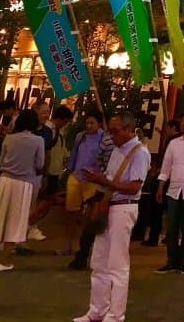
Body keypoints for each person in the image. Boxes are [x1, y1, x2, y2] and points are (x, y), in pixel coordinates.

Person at [73, 113, 151, 322]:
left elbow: (135, 186)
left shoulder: (139, 153)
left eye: (116, 131)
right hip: (109, 206)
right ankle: (97, 310)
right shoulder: (117, 150)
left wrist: (104, 182)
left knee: (117, 265)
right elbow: (111, 180)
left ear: (129, 130)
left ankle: (116, 315)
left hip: (123, 208)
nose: (112, 136)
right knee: (99, 262)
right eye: (110, 131)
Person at [0, 108, 45, 271]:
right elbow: (39, 164)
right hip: (23, 184)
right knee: (16, 222)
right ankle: (4, 261)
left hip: (5, 181)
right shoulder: (38, 141)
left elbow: (1, 161)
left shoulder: (9, 138)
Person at [65, 109, 112, 268]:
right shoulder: (81, 136)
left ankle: (85, 247)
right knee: (72, 211)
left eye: (92, 123)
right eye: (87, 123)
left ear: (99, 124)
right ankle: (71, 244)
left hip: (93, 179)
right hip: (76, 176)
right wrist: (70, 169)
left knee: (90, 215)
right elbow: (74, 154)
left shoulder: (104, 139)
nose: (89, 125)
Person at [155, 109, 184, 274]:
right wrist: (161, 185)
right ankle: (171, 261)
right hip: (174, 189)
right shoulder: (174, 143)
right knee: (172, 227)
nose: (183, 124)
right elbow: (167, 165)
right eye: (182, 120)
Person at [27, 105, 73, 238]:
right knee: (48, 199)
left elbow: (61, 149)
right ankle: (29, 223)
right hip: (48, 170)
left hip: (55, 169)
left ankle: (31, 224)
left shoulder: (58, 131)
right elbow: (45, 151)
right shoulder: (47, 130)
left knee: (47, 199)